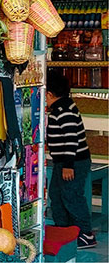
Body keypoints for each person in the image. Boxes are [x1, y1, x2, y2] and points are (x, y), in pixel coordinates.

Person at [46, 71, 95, 249]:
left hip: (73, 163)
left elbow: (71, 139)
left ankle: (85, 233)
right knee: (57, 196)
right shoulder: (61, 107)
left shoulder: (64, 111)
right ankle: (64, 231)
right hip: (63, 162)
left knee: (72, 197)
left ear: (49, 94)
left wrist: (68, 166)